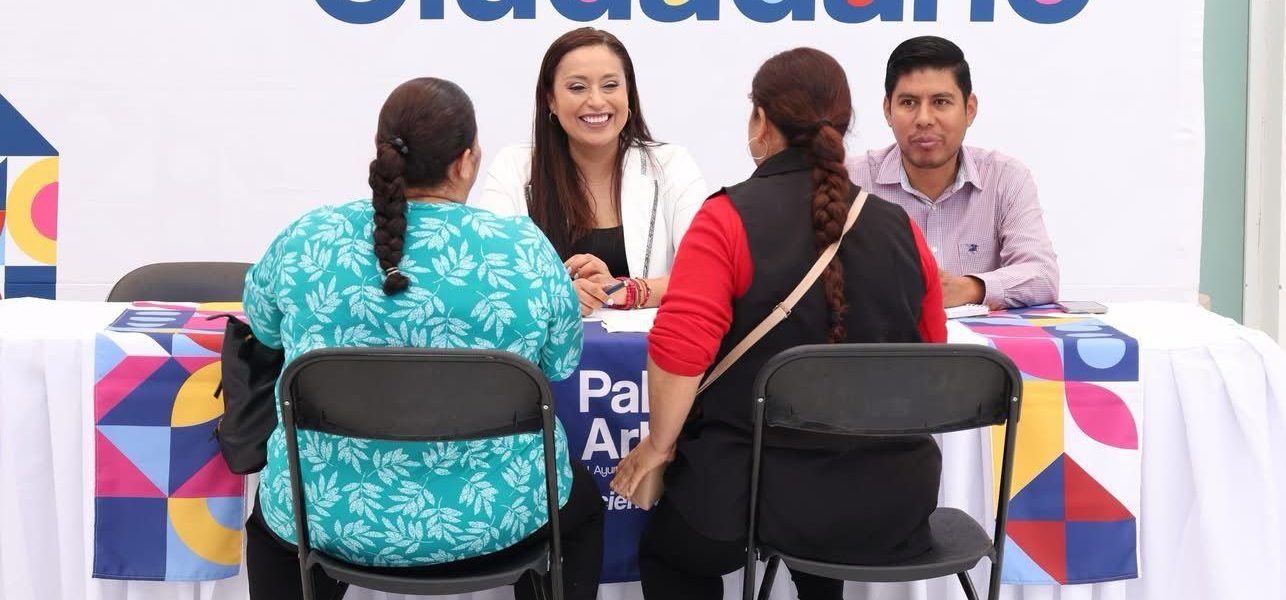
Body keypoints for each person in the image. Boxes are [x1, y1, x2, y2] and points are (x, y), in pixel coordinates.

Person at [242, 77, 604, 600]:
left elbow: (264, 326)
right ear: (466, 161)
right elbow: (561, 362)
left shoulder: (307, 239)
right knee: (582, 507)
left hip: (326, 516)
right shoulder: (524, 250)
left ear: (382, 153)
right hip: (501, 516)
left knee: (275, 523)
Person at [611, 48, 948, 599]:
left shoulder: (725, 220)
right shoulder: (900, 229)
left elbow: (678, 354)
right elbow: (930, 360)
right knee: (821, 539)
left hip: (748, 497)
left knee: (671, 554)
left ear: (761, 121)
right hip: (888, 503)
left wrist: (659, 448)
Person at [473, 27, 708, 316]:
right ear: (550, 99)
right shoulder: (514, 167)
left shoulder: (671, 165)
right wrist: (559, 294)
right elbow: (488, 273)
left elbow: (705, 275)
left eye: (610, 85)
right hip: (542, 344)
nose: (596, 101)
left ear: (629, 94)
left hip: (645, 345)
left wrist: (625, 290)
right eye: (577, 87)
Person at [847, 35, 1059, 309]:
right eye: (909, 102)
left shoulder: (1005, 178)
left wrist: (968, 288)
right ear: (888, 110)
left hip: (973, 338)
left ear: (969, 110)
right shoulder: (850, 181)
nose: (924, 119)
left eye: (941, 102)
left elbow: (1042, 274)